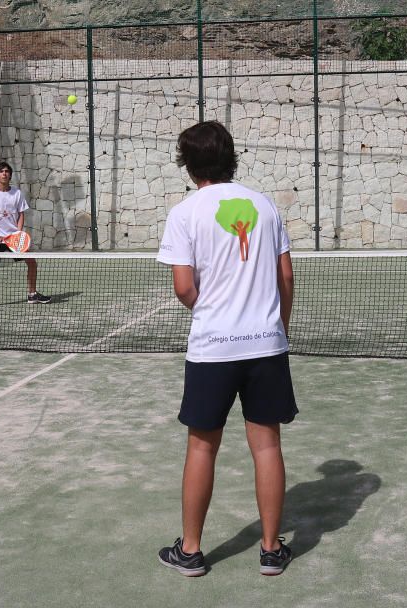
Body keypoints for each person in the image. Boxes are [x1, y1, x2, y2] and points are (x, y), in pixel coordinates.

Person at [156, 121, 298, 577]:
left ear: (189, 163)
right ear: (231, 157)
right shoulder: (265, 205)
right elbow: (287, 278)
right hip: (265, 346)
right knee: (266, 446)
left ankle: (191, 551)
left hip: (212, 349)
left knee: (201, 448)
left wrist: (209, 310)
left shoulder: (184, 213)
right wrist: (278, 328)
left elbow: (183, 287)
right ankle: (272, 551)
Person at [0, 161, 52, 309]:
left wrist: (18, 234)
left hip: (14, 240)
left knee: (32, 262)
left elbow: (21, 214)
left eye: (7, 171)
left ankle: (32, 295)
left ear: (10, 175)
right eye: (1, 171)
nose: (4, 173)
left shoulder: (17, 193)